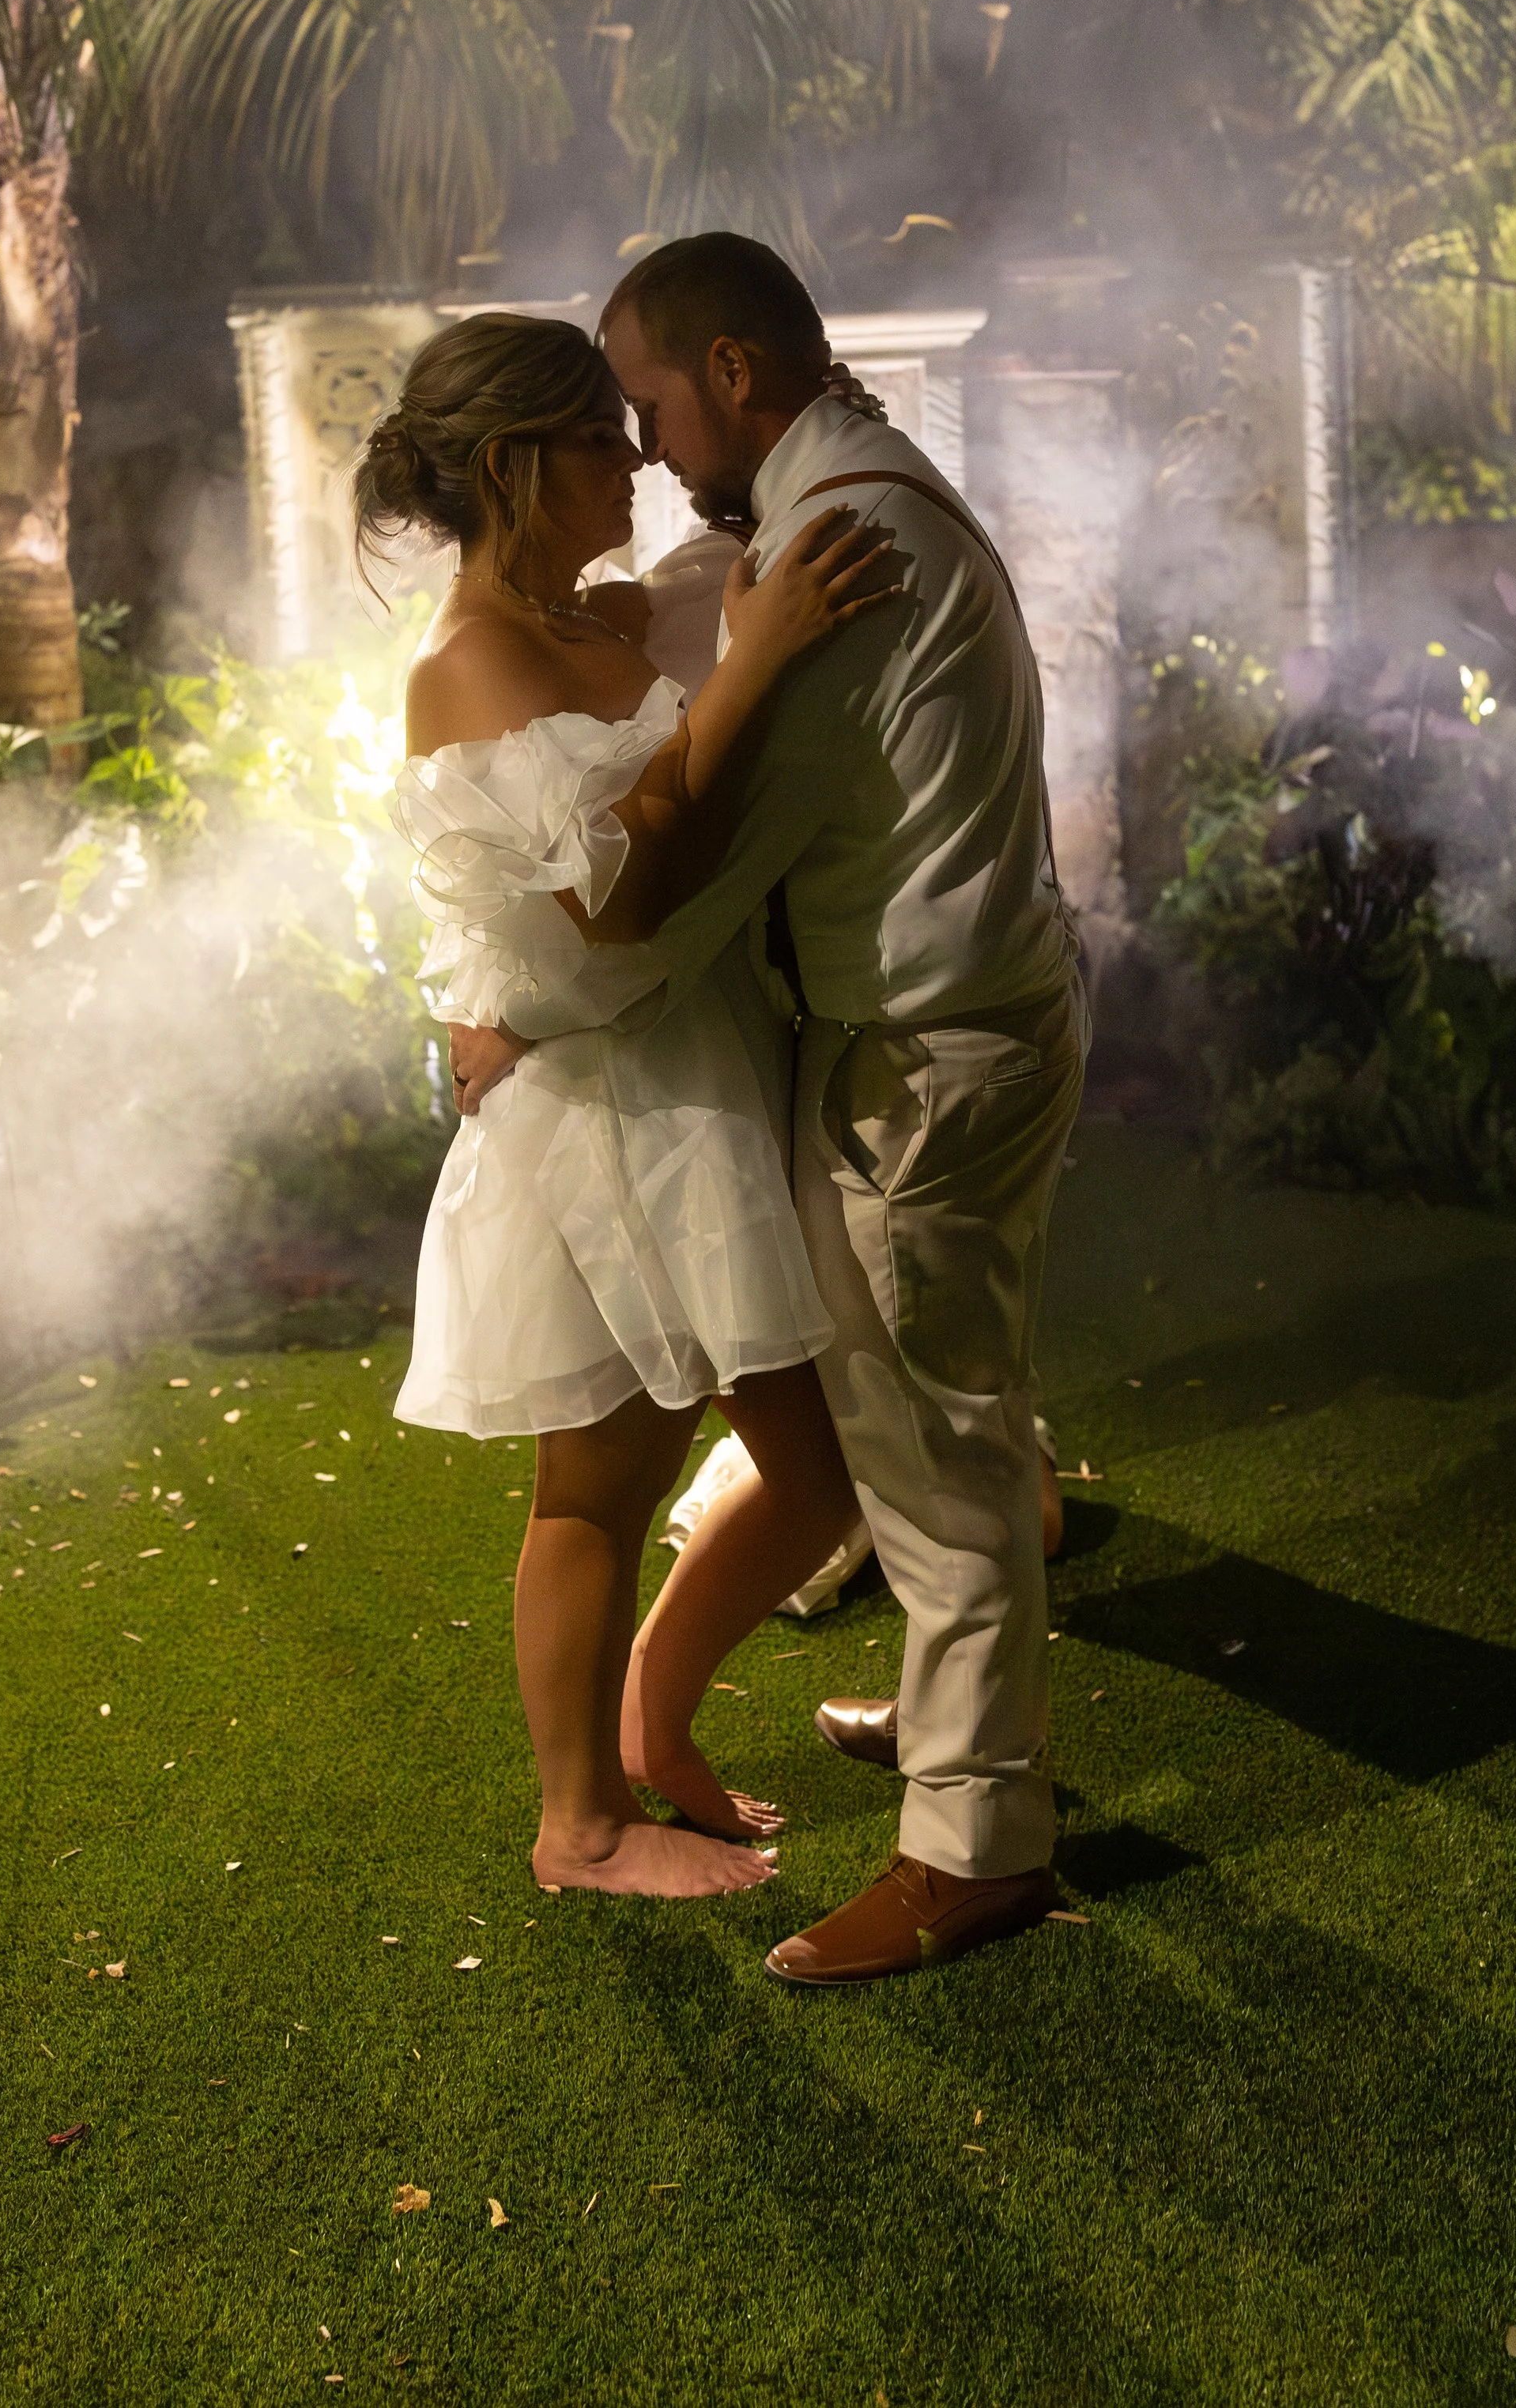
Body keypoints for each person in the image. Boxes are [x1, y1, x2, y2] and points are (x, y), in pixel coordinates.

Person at [448, 236, 1089, 1984]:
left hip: (924, 1050)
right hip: (963, 1018)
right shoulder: (838, 496)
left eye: (647, 403)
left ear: (734, 372)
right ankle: (972, 1729)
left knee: (933, 1459)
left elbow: (680, 887)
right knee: (929, 1424)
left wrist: (525, 999)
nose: (643, 449)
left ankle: (973, 1844)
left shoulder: (830, 545)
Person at [358, 311, 897, 1900]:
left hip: (683, 1078)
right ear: (520, 463)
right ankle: (583, 1822)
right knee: (615, 1481)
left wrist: (703, 637)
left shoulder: (581, 619)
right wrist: (760, 659)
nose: (638, 461)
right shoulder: (469, 662)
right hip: (617, 1113)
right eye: (604, 437)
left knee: (746, 1475)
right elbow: (615, 897)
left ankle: (634, 1755)